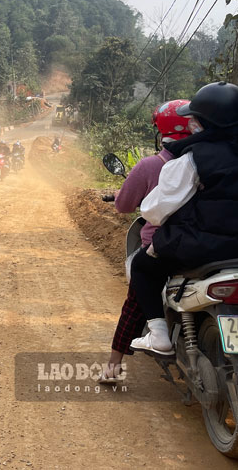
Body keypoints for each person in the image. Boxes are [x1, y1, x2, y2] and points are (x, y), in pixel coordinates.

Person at [129, 82, 238, 355]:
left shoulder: (194, 157)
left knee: (142, 266)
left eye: (195, 118)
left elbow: (154, 211)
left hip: (204, 248)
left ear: (205, 122)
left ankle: (159, 336)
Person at [100, 100, 192, 383]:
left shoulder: (152, 165)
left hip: (162, 247)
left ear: (161, 131)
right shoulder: (208, 161)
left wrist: (121, 195)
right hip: (209, 245)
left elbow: (124, 205)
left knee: (135, 299)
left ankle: (113, 367)